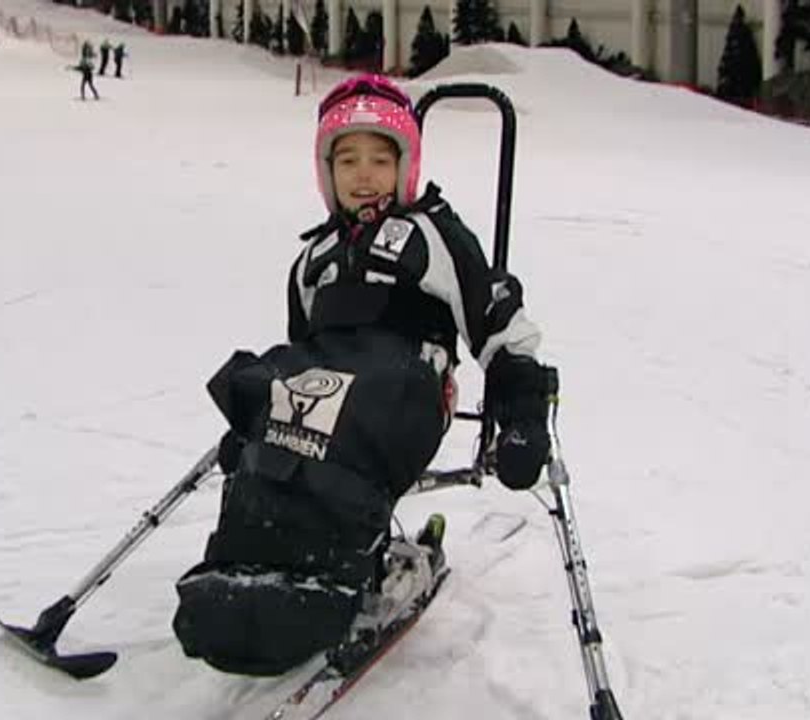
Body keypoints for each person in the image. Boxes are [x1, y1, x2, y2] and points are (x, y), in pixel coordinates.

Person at [171, 75, 553, 677]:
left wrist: (525, 414)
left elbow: (500, 326)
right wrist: (257, 425)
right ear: (326, 172)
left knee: (347, 414)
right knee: (266, 395)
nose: (364, 174)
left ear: (406, 165)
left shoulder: (432, 234)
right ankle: (244, 572)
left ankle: (328, 575)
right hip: (332, 382)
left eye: (381, 157)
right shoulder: (313, 258)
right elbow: (301, 350)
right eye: (346, 159)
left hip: (403, 384)